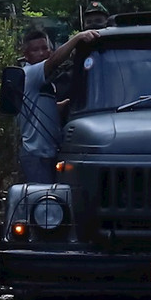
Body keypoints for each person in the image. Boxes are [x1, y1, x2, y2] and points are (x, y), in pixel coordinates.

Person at [17, 24, 100, 185]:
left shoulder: (47, 83)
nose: (41, 53)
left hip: (49, 152)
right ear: (26, 55)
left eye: (44, 48)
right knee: (44, 201)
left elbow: (45, 109)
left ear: (50, 49)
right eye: (35, 50)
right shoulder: (30, 74)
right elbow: (54, 62)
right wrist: (77, 38)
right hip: (36, 153)